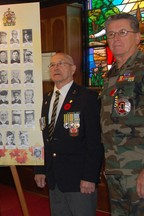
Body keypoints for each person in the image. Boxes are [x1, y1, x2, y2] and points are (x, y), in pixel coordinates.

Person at [34, 52, 103, 216]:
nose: (56, 67)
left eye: (61, 63)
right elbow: (42, 137)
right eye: (52, 65)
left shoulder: (87, 97)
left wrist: (90, 176)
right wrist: (40, 169)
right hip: (54, 178)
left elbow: (95, 141)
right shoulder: (46, 99)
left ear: (73, 69)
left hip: (79, 179)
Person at [100, 13, 144, 215]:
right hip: (115, 169)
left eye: (122, 32)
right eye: (111, 34)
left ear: (137, 37)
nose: (115, 38)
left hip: (138, 170)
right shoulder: (111, 75)